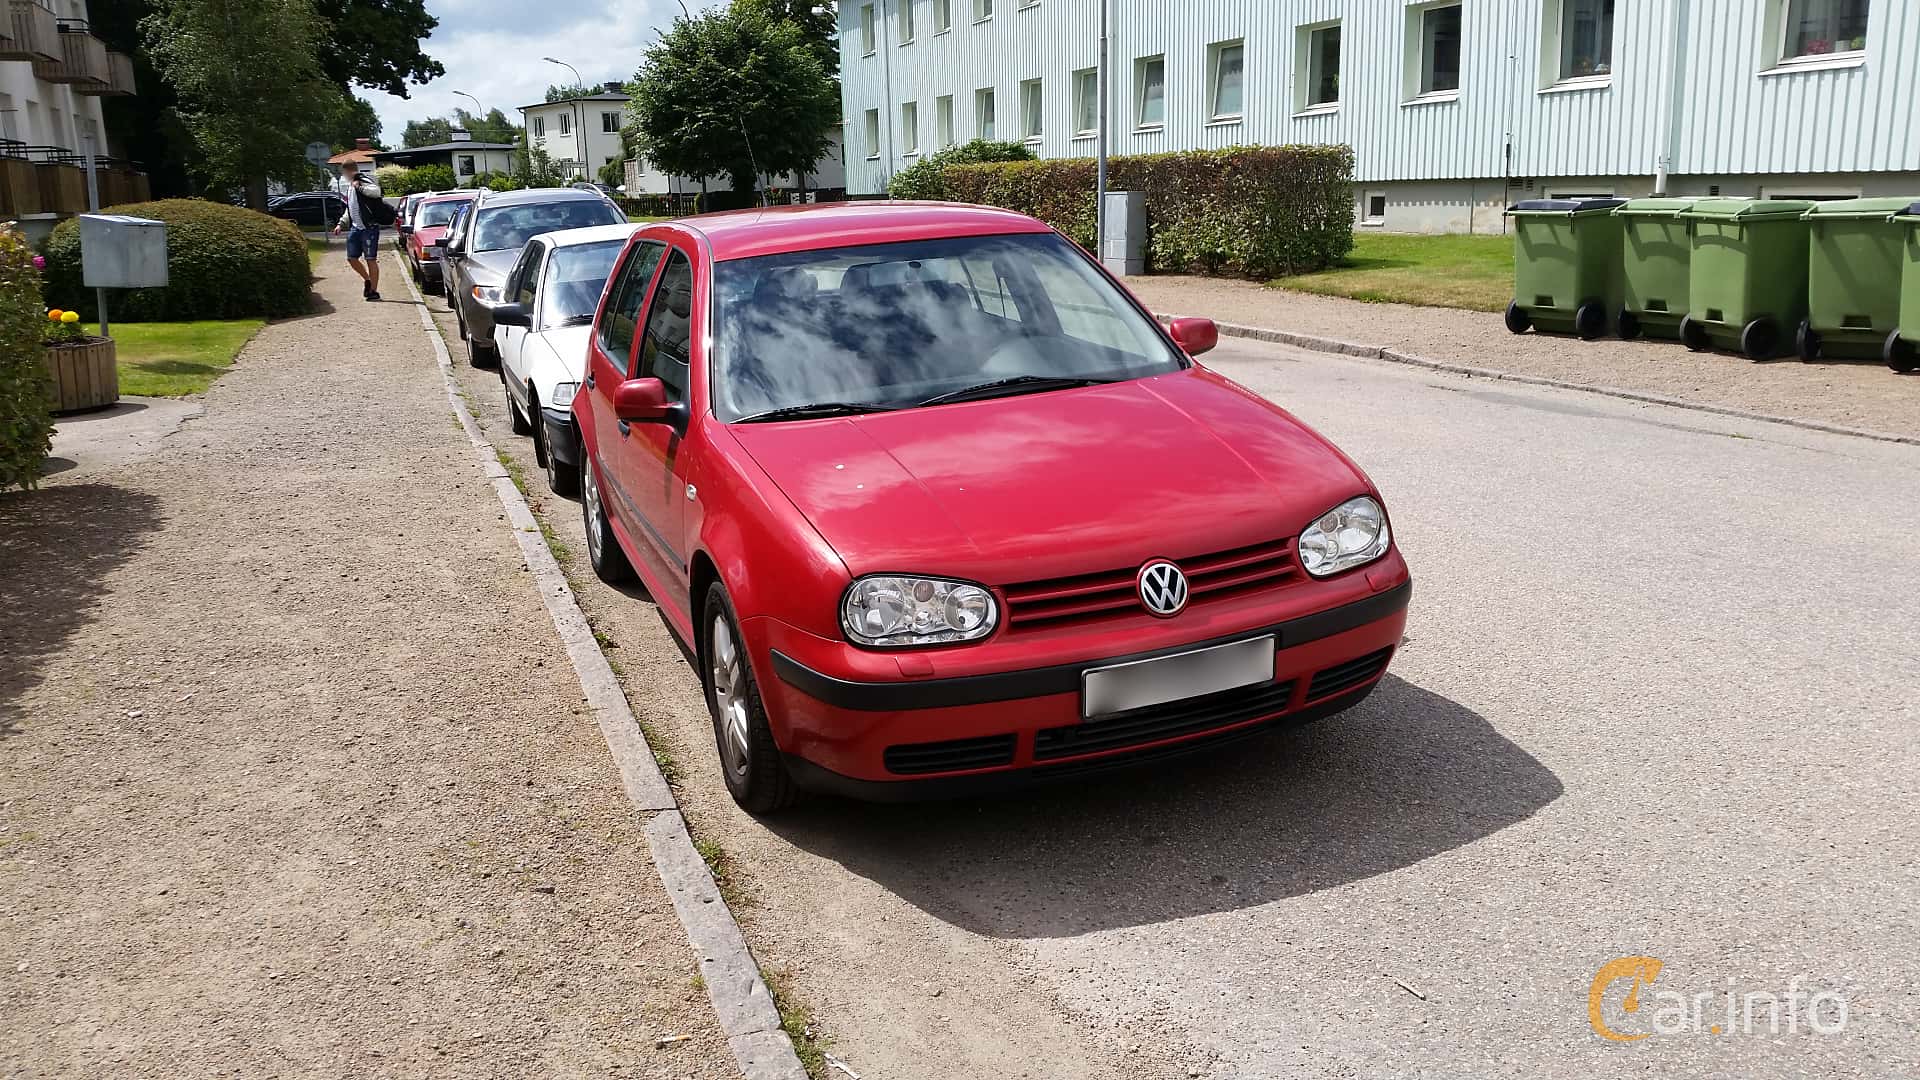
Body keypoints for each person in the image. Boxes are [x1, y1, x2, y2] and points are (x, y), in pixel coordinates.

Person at [331, 161, 384, 301]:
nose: (344, 176)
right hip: (355, 227)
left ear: (348, 171)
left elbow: (377, 192)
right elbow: (350, 210)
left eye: (344, 173)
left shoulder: (363, 180)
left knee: (370, 259)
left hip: (369, 228)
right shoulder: (349, 187)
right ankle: (367, 280)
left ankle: (373, 290)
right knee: (351, 258)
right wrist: (340, 224)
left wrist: (360, 187)